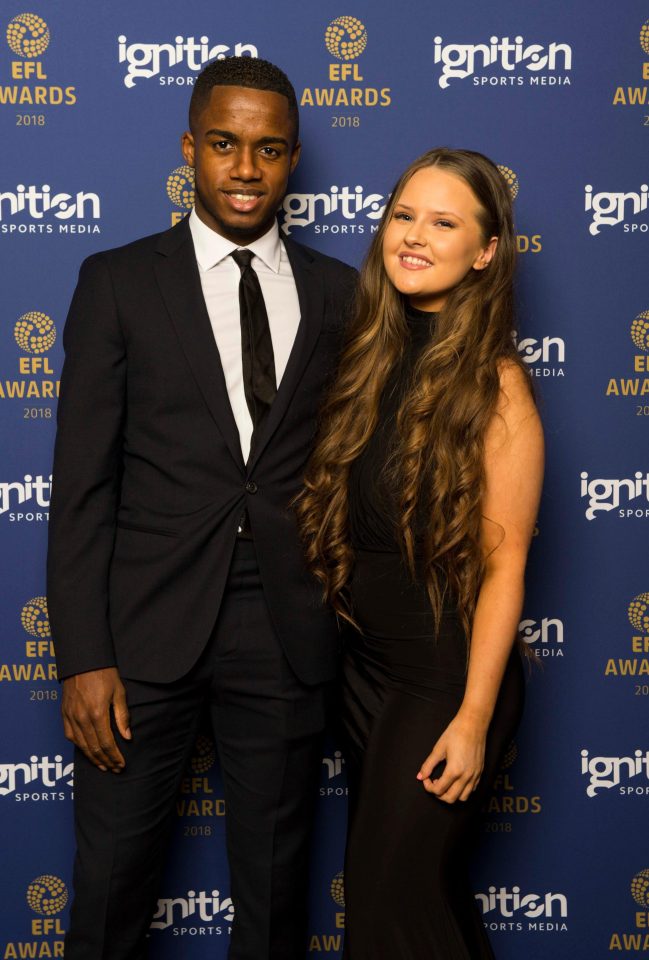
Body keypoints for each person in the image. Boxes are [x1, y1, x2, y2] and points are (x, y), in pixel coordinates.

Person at [47, 56, 356, 960]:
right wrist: (84, 658)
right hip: (142, 637)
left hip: (286, 635)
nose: (245, 169)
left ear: (293, 159)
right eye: (224, 144)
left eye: (267, 149)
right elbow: (81, 489)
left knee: (273, 898)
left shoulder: (341, 293)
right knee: (110, 892)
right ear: (191, 148)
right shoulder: (117, 282)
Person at [296, 147, 544, 958]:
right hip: (367, 673)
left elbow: (505, 566)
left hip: (444, 678)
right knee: (419, 904)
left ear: (482, 253)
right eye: (403, 215)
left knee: (384, 907)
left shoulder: (495, 382)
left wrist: (472, 720)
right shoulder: (368, 356)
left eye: (443, 223)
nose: (412, 236)